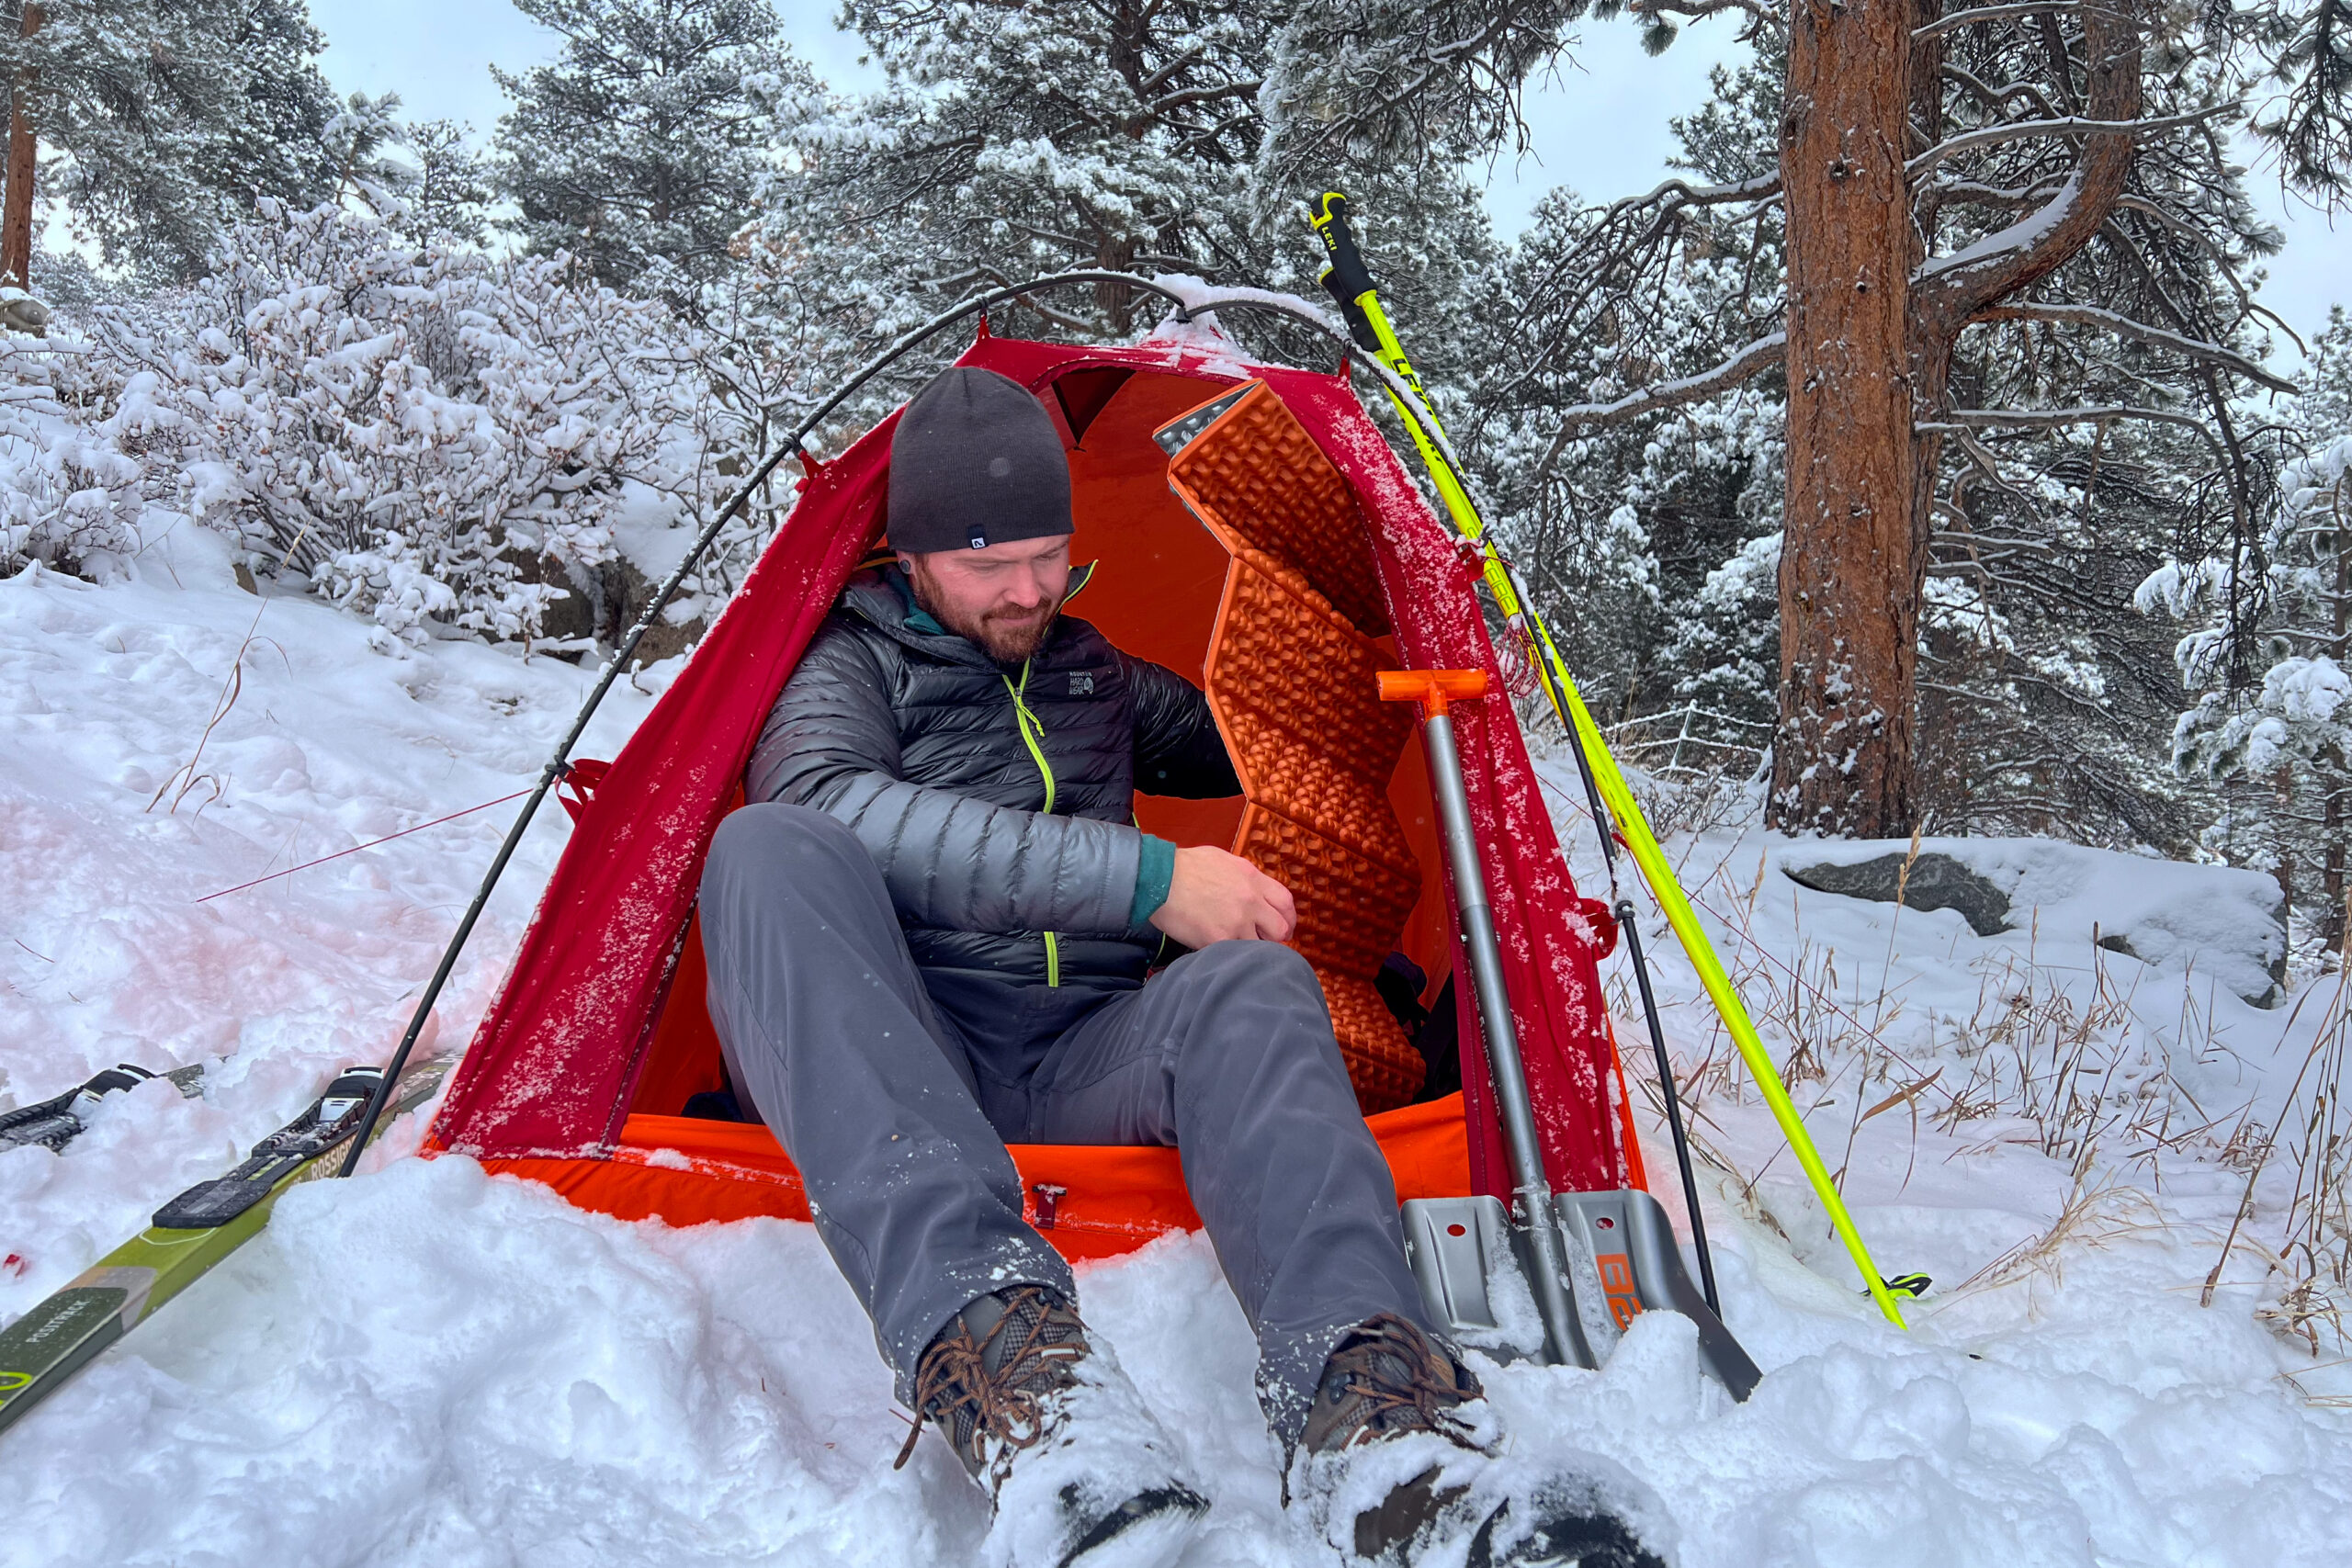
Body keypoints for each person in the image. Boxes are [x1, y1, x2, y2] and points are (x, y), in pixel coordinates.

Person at [698, 367, 1657, 1568]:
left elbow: (1257, 731)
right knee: (766, 847)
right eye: (991, 566)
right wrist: (1150, 880)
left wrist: (1425, 676)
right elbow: (837, 801)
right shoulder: (847, 662)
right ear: (912, 556)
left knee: (1253, 981)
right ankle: (1033, 1401)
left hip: (1073, 1059)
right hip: (901, 1056)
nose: (1030, 589)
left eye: (1049, 554)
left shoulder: (1086, 665)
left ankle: (1377, 1434)